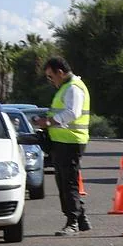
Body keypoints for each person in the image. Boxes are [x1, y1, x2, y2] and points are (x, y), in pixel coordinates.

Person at [34, 56, 92, 236]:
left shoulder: (73, 88)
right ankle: (81, 220)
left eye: (51, 76)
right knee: (65, 182)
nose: (51, 81)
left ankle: (72, 222)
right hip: (63, 142)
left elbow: (72, 113)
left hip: (70, 141)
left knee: (68, 184)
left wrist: (48, 122)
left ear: (60, 72)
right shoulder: (66, 87)